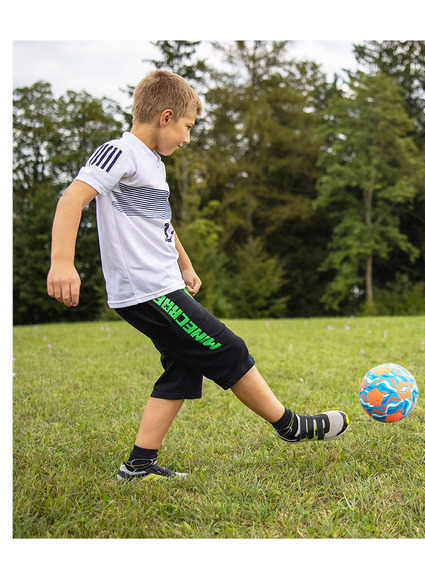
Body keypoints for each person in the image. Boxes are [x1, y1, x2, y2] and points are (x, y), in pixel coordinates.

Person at [46, 70, 348, 482]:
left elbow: (161, 224)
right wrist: (62, 262)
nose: (188, 138)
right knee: (230, 349)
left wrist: (184, 264)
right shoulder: (119, 152)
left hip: (163, 284)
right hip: (147, 289)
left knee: (183, 368)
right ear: (166, 117)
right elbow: (72, 199)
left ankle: (139, 465)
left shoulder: (153, 164)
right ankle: (290, 425)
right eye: (188, 127)